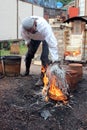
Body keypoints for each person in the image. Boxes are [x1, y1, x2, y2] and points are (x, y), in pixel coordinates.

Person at [21, 16, 59, 86]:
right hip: (34, 39)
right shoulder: (23, 28)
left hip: (45, 38)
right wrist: (28, 42)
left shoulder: (44, 27)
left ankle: (42, 78)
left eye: (32, 30)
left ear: (35, 23)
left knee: (44, 58)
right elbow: (25, 37)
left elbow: (52, 44)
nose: (31, 32)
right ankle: (27, 71)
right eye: (29, 31)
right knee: (29, 55)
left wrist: (55, 59)